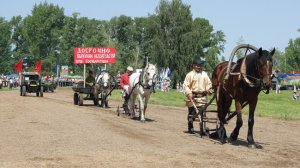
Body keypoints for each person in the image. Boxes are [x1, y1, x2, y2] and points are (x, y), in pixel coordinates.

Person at [183, 58, 213, 134]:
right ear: (194, 66)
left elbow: (209, 84)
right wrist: (189, 93)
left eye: (200, 65)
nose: (199, 67)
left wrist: (209, 90)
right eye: (197, 65)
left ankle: (202, 128)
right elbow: (186, 85)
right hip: (193, 98)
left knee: (203, 113)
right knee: (192, 113)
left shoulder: (205, 74)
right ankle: (190, 126)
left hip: (202, 98)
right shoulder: (189, 75)